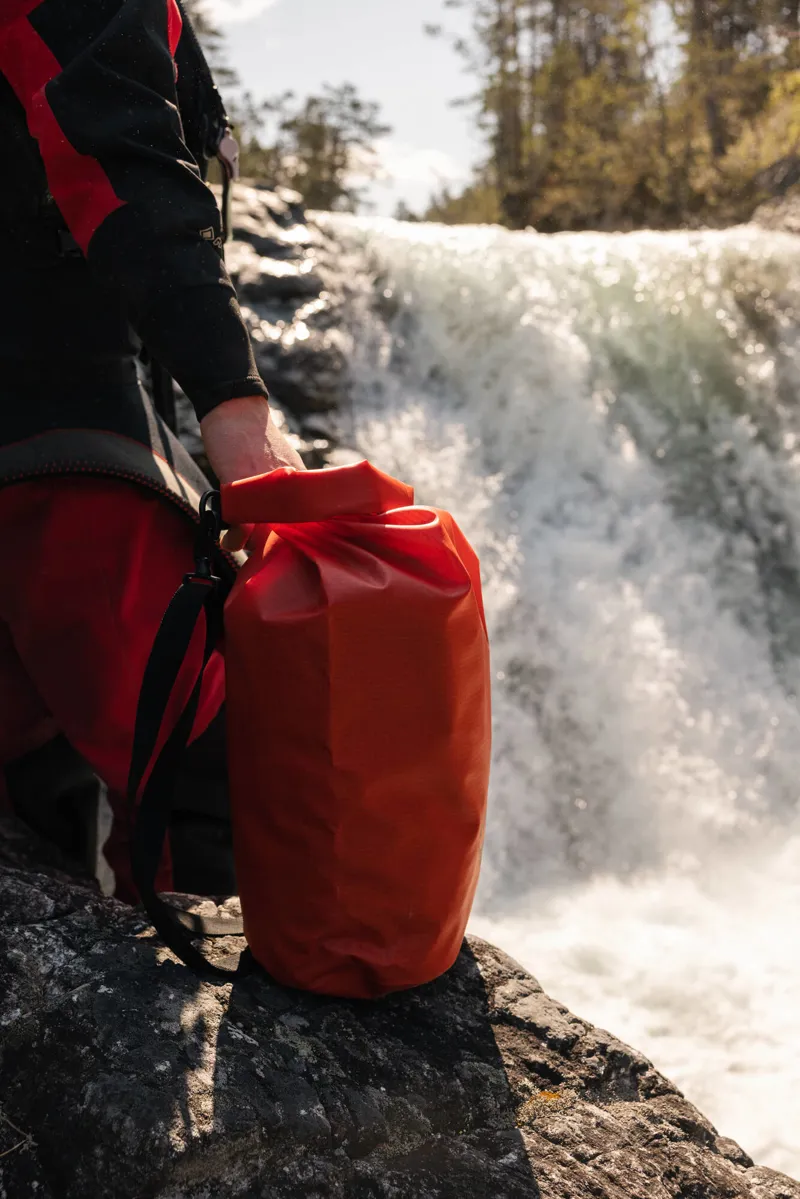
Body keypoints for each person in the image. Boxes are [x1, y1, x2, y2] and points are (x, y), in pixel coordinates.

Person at [0, 0, 304, 900]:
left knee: (38, 785)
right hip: (58, 440)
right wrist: (235, 405)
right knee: (213, 764)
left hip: (49, 440)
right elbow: (117, 152)